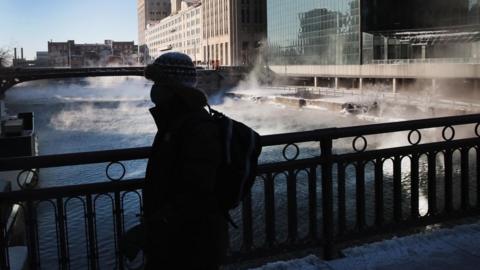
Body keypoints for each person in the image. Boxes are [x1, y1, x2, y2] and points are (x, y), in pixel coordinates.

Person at [143, 52, 227, 269]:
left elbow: (197, 192)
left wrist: (155, 225)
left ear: (173, 87)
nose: (154, 89)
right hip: (176, 240)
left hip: (191, 244)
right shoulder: (174, 121)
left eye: (158, 82)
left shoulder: (196, 126)